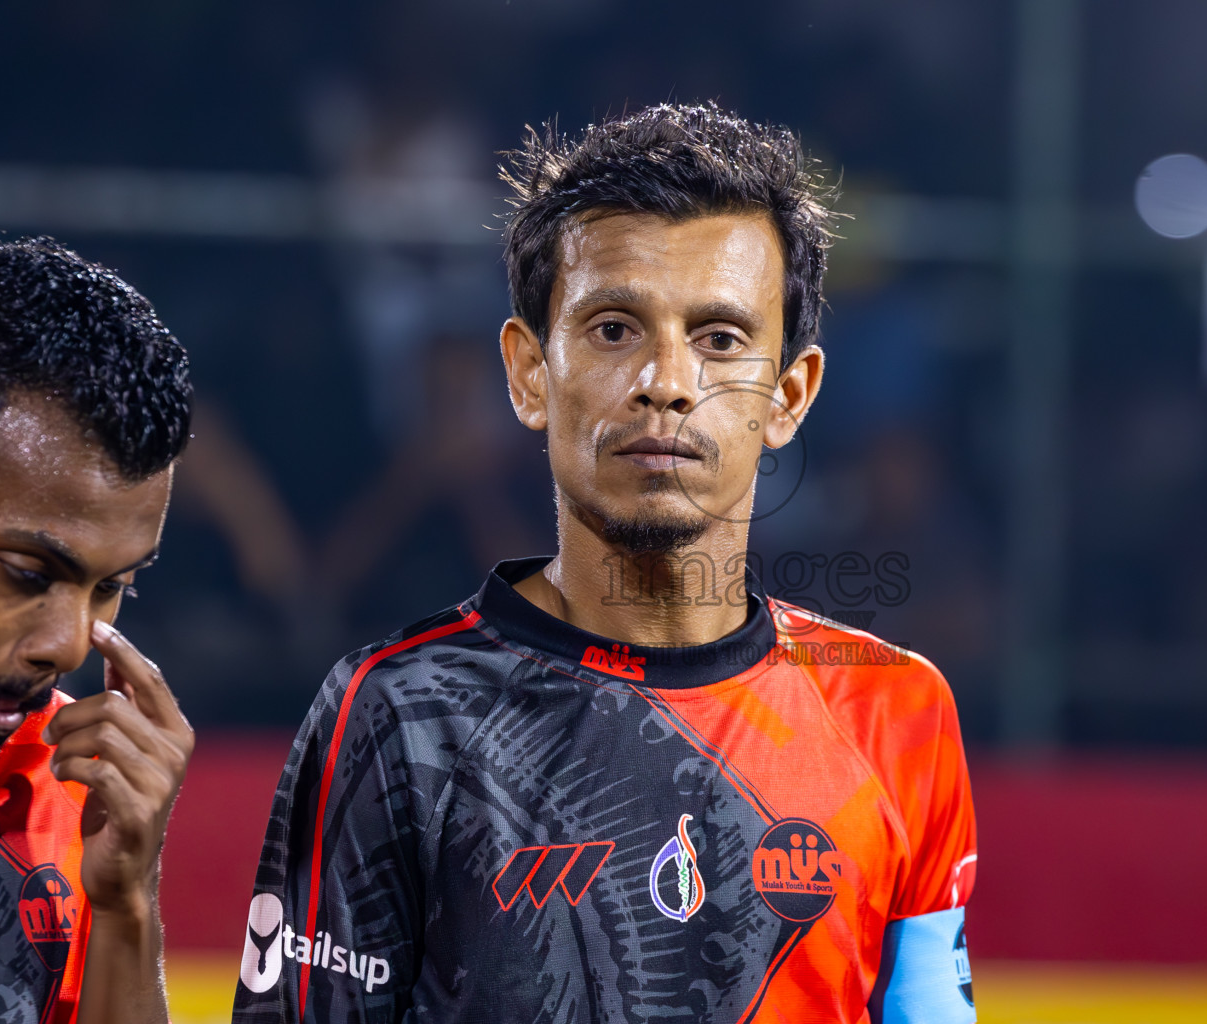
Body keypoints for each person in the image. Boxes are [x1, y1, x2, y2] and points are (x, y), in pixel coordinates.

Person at [233, 103, 977, 1023]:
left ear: (790, 395)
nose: (666, 380)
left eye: (721, 339)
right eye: (615, 328)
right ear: (527, 375)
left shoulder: (896, 711)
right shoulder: (396, 713)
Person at [0, 236, 196, 1023]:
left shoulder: (67, 796)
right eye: (29, 574)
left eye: (113, 588)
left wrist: (124, 904)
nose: (69, 645)